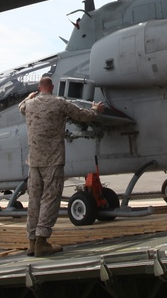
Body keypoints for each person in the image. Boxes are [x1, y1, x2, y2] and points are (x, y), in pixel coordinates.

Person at [18, 76, 103, 256]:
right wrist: (96, 110)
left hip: (34, 161)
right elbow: (83, 115)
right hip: (53, 160)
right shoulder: (59, 103)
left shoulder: (30, 104)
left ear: (39, 87)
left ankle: (32, 242)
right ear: (52, 87)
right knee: (50, 198)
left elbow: (21, 107)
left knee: (34, 200)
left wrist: (29, 97)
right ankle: (42, 242)